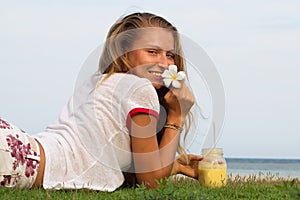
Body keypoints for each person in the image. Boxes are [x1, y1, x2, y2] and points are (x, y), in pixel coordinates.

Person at [0, 12, 202, 191]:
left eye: (169, 55)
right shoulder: (140, 89)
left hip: (18, 150)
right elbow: (152, 184)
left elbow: (127, 170)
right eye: (152, 51)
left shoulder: (101, 83)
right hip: (17, 159)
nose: (164, 63)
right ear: (124, 52)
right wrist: (177, 115)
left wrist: (173, 165)